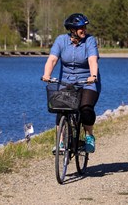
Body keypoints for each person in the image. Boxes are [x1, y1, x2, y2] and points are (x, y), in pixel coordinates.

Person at [42, 13, 101, 153]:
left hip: (87, 82)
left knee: (86, 109)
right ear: (72, 29)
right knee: (60, 109)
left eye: (85, 27)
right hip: (66, 82)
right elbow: (52, 60)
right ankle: (60, 142)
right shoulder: (61, 41)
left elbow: (93, 60)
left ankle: (89, 136)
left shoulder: (90, 41)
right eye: (81, 28)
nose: (84, 30)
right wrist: (47, 74)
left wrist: (93, 75)